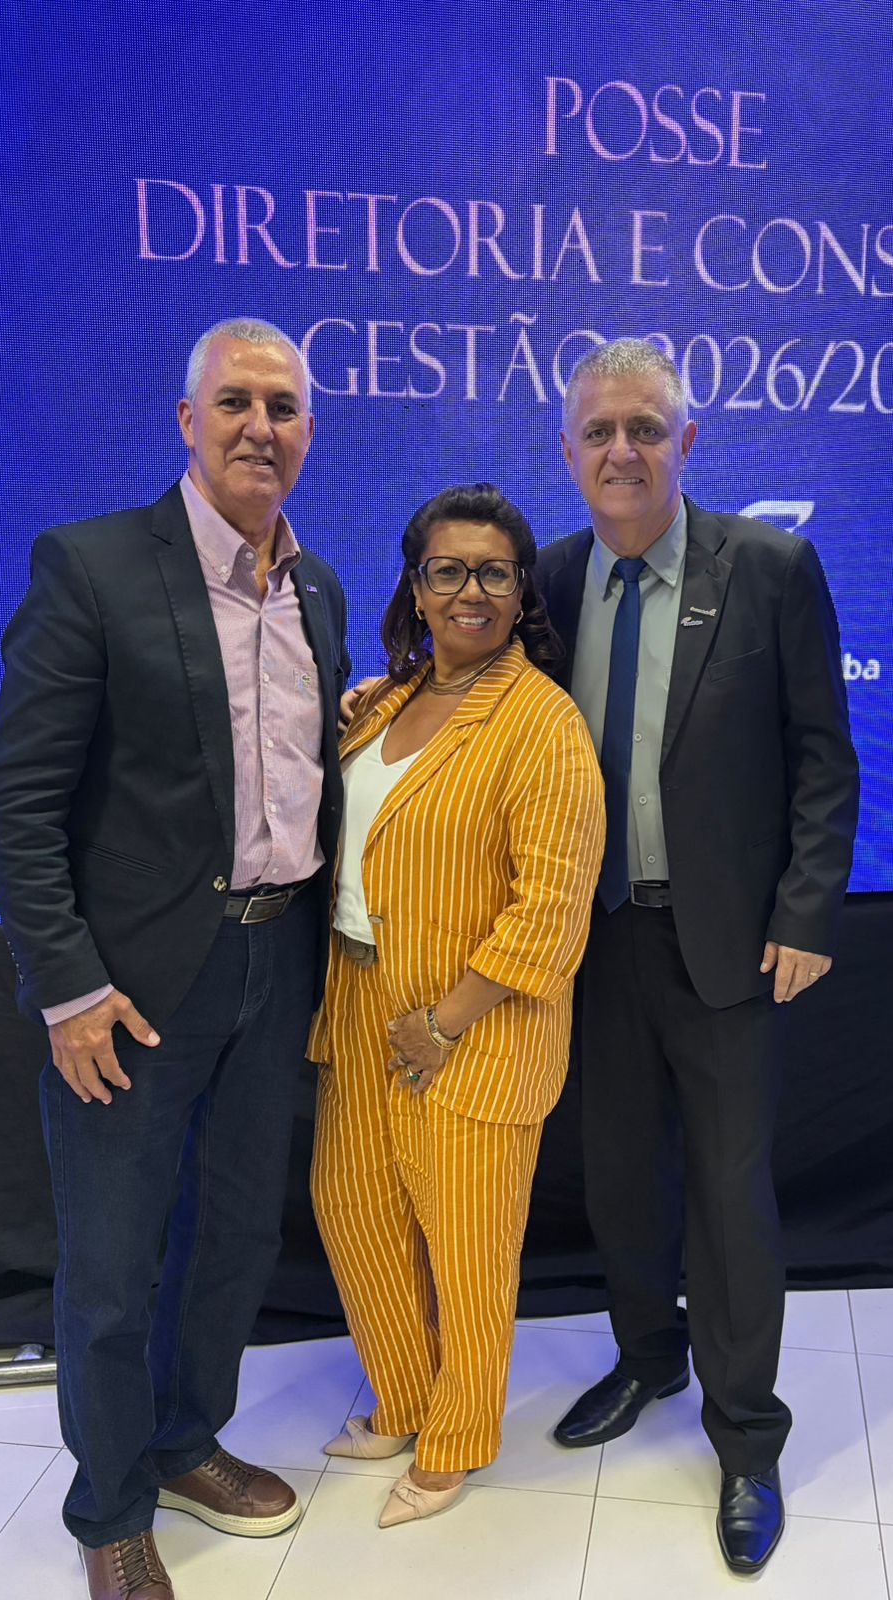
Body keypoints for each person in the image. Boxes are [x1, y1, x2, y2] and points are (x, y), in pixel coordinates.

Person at [0, 318, 348, 1600]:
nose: (260, 426)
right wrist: (68, 987)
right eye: (235, 401)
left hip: (276, 964)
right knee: (113, 1265)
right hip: (129, 990)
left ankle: (187, 1440)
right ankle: (109, 1507)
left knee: (234, 1234)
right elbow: (16, 800)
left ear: (310, 431)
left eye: (283, 406)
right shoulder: (91, 567)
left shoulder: (318, 588)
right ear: (187, 421)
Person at [538, 338, 860, 1575]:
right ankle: (646, 1357)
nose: (621, 450)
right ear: (568, 451)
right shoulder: (551, 580)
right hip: (595, 939)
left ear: (687, 441)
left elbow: (822, 757)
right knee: (619, 1176)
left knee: (729, 1197)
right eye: (599, 431)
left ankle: (747, 1439)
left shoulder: (769, 568)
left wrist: (805, 912)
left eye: (645, 428)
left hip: (725, 940)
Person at [309, 483, 604, 1528]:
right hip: (358, 999)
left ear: (521, 591)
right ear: (416, 585)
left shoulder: (543, 723)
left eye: (493, 572)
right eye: (447, 570)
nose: (469, 591)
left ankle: (457, 1438)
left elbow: (552, 910)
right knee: (354, 1210)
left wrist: (444, 1021)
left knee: (469, 1248)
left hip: (473, 1023)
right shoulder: (385, 702)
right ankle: (401, 1398)